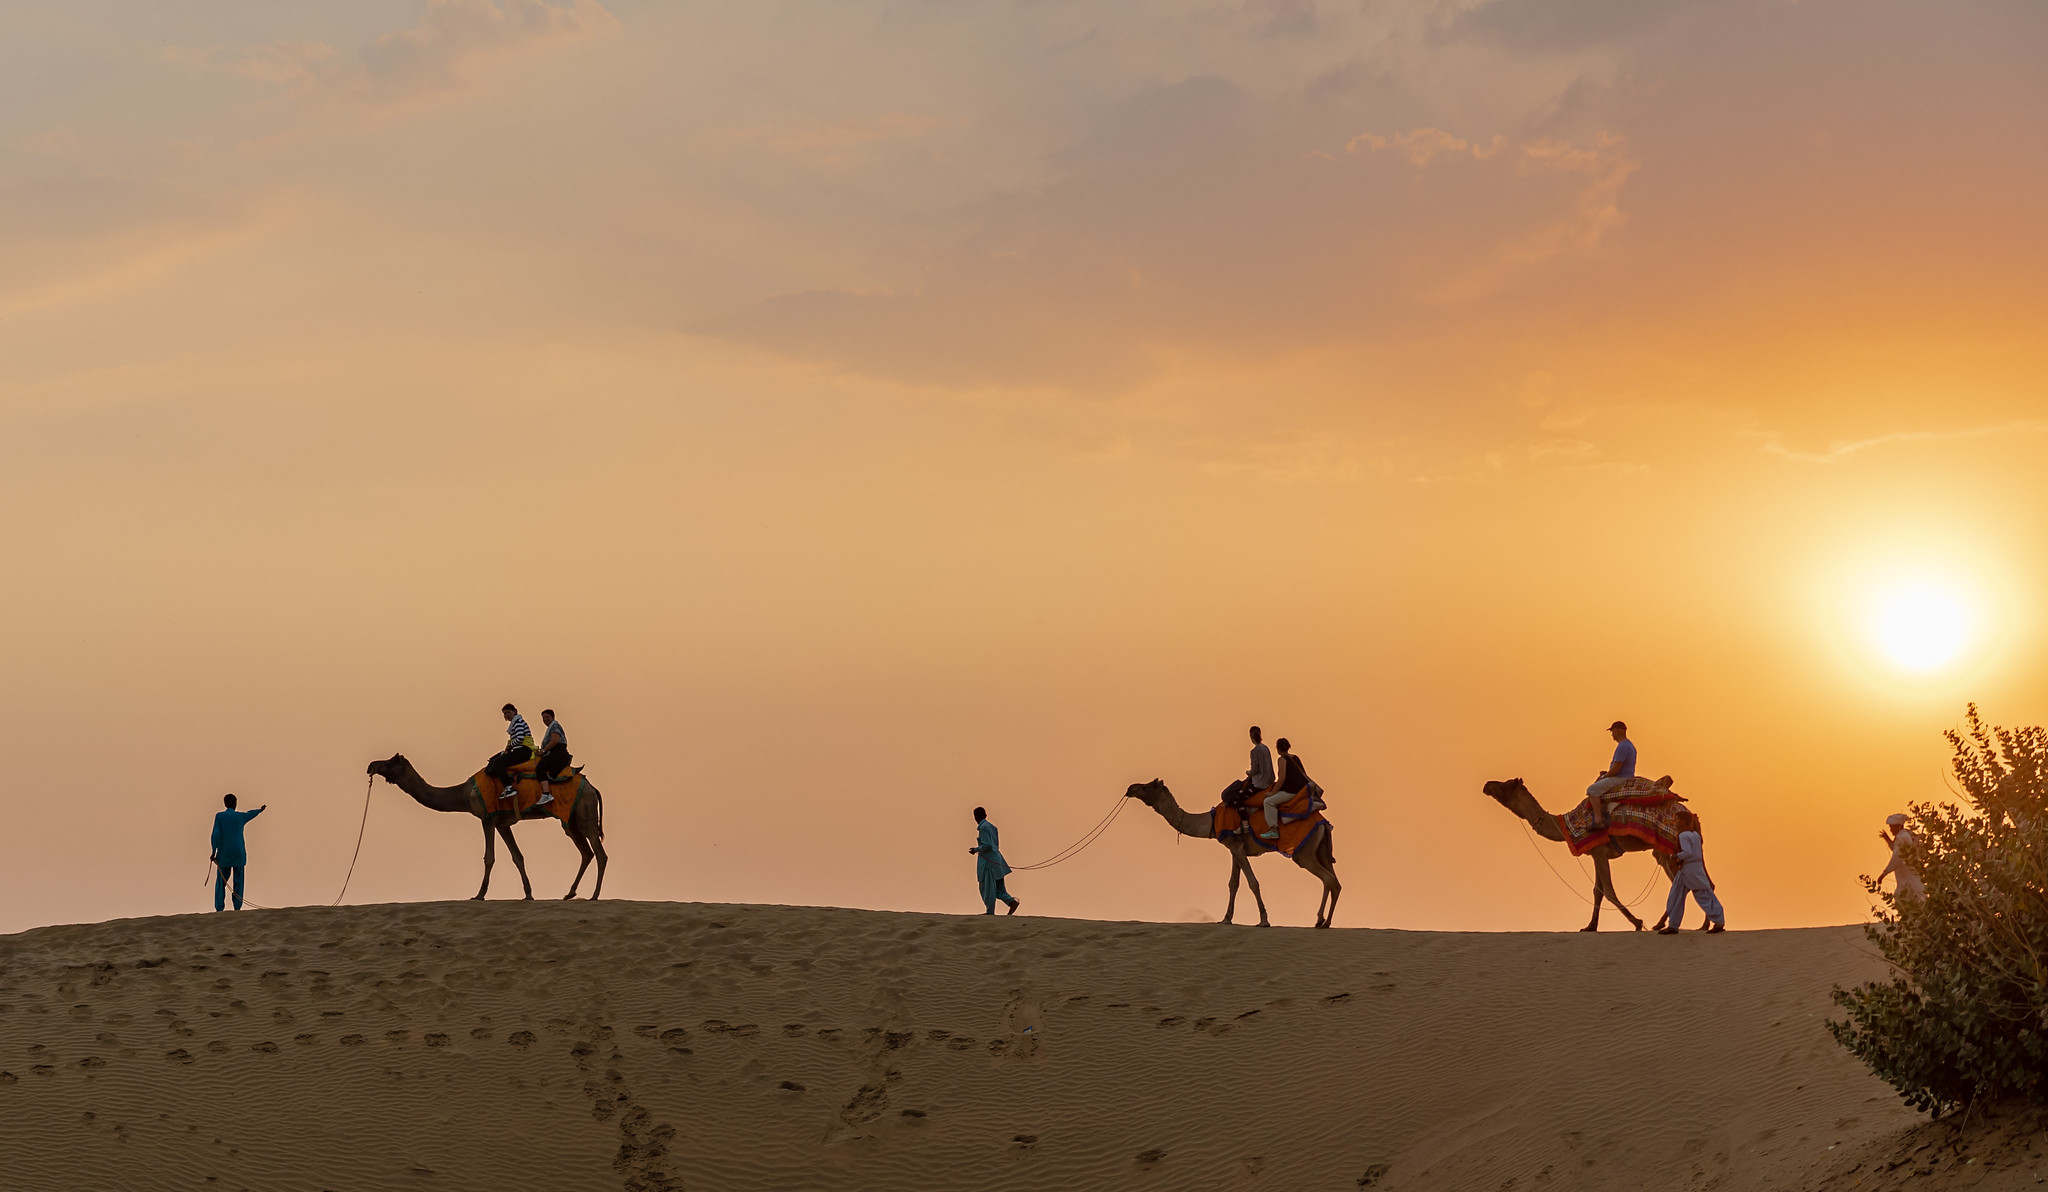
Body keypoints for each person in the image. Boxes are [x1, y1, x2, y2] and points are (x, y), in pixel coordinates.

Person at [1657, 808, 1724, 934]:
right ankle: (1674, 925)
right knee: (1685, 894)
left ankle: (1673, 925)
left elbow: (1687, 853)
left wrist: (1675, 857)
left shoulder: (1683, 835)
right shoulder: (1695, 835)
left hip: (1688, 869)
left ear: (1683, 821)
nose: (1675, 822)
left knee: (1695, 894)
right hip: (1695, 868)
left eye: (1677, 820)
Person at [210, 794, 267, 912]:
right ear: (235, 804)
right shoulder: (240, 817)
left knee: (221, 882)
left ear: (225, 803)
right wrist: (260, 810)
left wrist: (213, 851)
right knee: (239, 881)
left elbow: (215, 835)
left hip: (224, 854)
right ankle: (237, 907)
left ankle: (219, 908)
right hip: (238, 853)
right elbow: (250, 814)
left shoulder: (219, 817)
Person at [969, 807, 1021, 915]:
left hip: (989, 863)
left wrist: (976, 849)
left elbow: (987, 845)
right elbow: (995, 845)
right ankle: (1011, 902)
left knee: (987, 887)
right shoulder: (992, 827)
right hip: (996, 859)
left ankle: (990, 912)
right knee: (999, 888)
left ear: (976, 817)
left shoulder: (983, 828)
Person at [1585, 721, 1637, 828]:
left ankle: (1598, 821)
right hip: (1625, 776)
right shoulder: (1629, 745)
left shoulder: (1623, 747)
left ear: (1617, 731)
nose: (1612, 734)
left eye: (1612, 731)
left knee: (1592, 790)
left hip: (1620, 778)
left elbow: (1616, 770)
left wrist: (1604, 776)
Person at [1258, 738, 1312, 841]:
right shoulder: (1295, 758)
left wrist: (1272, 792)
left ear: (1278, 748)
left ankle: (1273, 829)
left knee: (1268, 802)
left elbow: (1282, 778)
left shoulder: (1282, 759)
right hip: (1300, 790)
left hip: (1290, 792)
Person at [485, 703, 537, 796]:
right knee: (495, 759)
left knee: (497, 763)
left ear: (515, 711)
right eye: (504, 713)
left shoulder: (518, 722)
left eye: (508, 712)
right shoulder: (515, 723)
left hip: (523, 750)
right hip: (520, 750)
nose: (506, 715)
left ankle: (508, 787)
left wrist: (510, 746)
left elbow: (520, 738)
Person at [1878, 813, 1925, 904]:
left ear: (1899, 826)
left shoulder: (1901, 837)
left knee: (1905, 898)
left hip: (1907, 874)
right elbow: (1896, 848)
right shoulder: (1907, 834)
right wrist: (1887, 839)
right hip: (1909, 874)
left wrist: (1884, 874)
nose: (1891, 830)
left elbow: (1897, 857)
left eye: (1892, 827)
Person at [534, 708, 571, 805]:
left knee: (540, 768)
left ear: (552, 717)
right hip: (553, 753)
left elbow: (555, 741)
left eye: (547, 717)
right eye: (543, 718)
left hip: (557, 753)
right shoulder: (550, 727)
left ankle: (546, 794)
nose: (545, 719)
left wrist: (543, 751)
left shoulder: (555, 726)